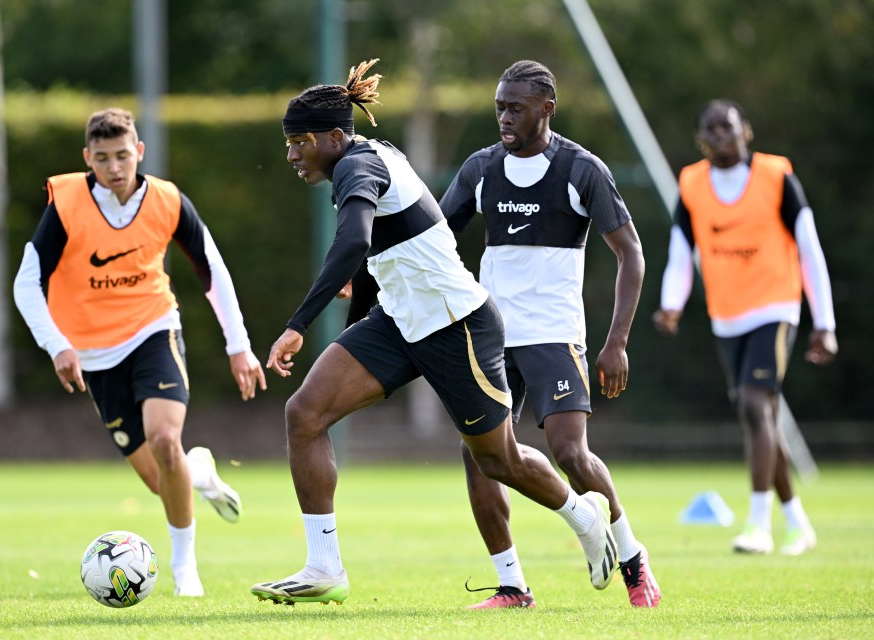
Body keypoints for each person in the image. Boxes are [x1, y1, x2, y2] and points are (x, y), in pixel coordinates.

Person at [248, 59, 618, 607]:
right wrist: (351, 343)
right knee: (305, 414)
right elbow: (373, 263)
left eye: (300, 142)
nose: (291, 155)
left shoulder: (359, 166)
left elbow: (353, 244)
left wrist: (298, 325)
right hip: (401, 322)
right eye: (288, 143)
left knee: (498, 460)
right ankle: (324, 567)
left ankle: (583, 515)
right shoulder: (354, 168)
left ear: (334, 136)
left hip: (456, 325)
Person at [13, 107, 267, 596]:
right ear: (88, 158)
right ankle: (201, 475)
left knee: (166, 440)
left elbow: (213, 272)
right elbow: (28, 283)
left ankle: (185, 572)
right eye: (102, 158)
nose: (114, 167)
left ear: (139, 153)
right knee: (160, 478)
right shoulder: (66, 205)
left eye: (123, 155)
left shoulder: (168, 200)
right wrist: (57, 345)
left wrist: (240, 347)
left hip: (153, 331)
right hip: (92, 354)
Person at [440, 60, 660, 609]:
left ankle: (632, 559)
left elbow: (630, 253)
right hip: (490, 335)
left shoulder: (581, 169)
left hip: (554, 334)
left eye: (515, 108)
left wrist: (616, 343)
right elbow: (437, 237)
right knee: (480, 456)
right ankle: (512, 584)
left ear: (546, 109)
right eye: (499, 107)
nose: (504, 117)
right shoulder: (481, 168)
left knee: (571, 453)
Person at [653, 99, 837, 556]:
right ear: (701, 140)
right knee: (764, 417)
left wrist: (825, 322)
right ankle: (797, 521)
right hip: (726, 316)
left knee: (755, 407)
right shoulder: (692, 183)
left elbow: (810, 249)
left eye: (728, 127)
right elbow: (681, 249)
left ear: (746, 132)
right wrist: (670, 304)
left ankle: (758, 524)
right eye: (711, 130)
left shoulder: (777, 177)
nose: (721, 136)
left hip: (776, 307)